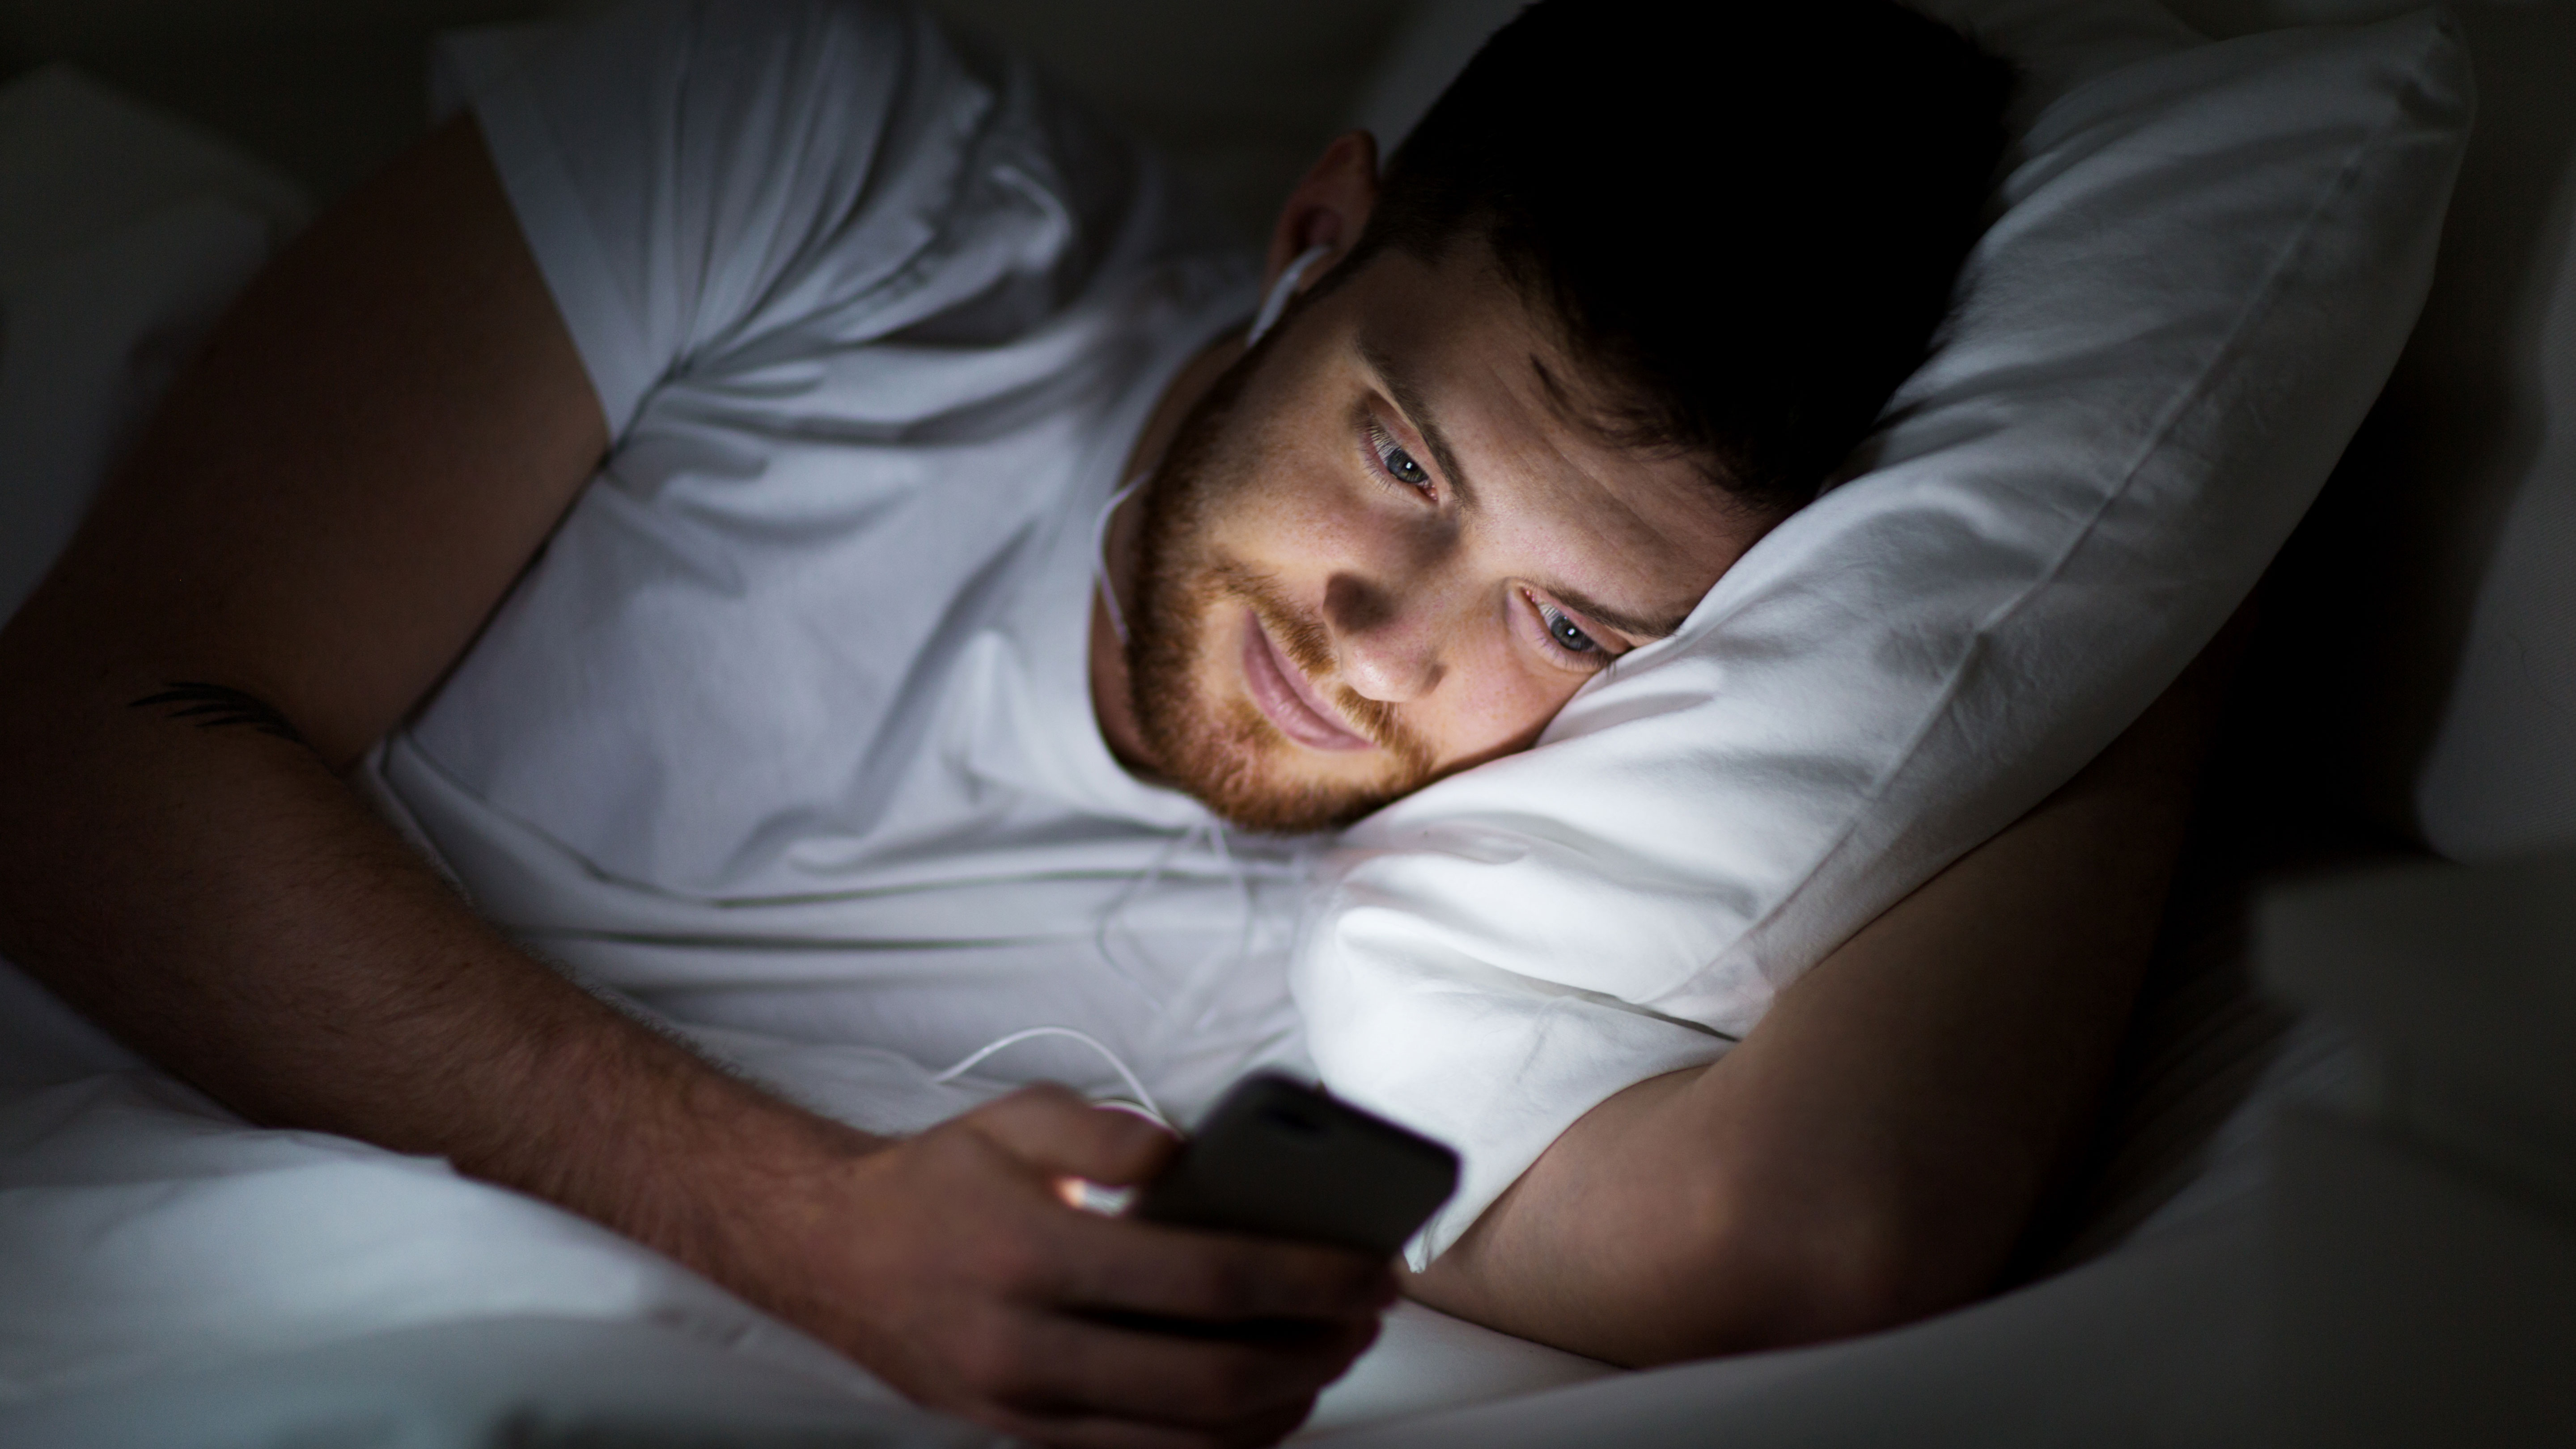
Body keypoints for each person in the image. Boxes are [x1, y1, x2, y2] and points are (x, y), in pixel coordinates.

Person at [0, 1, 2220, 1445]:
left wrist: (2162, 553)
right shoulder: (842, 181)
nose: (1381, 644)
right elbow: (83, 751)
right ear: (1316, 234)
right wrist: (812, 1228)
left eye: (1565, 618)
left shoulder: (1473, 928)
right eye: (1406, 463)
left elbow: (1815, 1240)